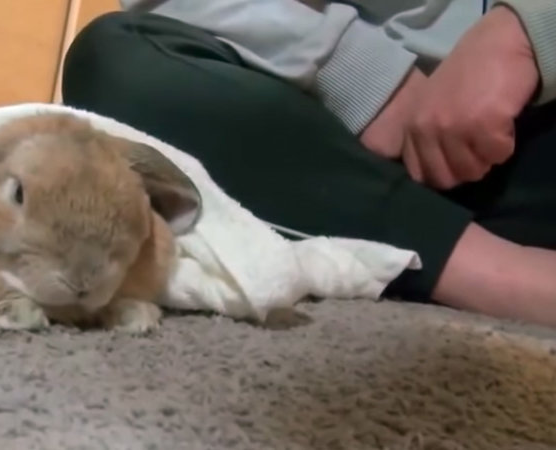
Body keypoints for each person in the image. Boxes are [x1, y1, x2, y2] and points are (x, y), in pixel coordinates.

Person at [59, 0, 556, 327]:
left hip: (534, 118)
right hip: (317, 126)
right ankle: (491, 273)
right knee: (119, 61)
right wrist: (368, 78)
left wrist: (530, 32)